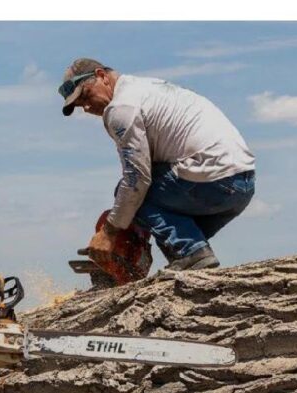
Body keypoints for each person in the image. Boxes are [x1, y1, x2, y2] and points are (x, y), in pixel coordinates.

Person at [59, 58, 256, 271]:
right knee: (153, 221)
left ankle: (192, 253)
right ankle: (187, 260)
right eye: (80, 106)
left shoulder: (121, 108)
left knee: (130, 195)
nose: (87, 107)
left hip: (213, 181)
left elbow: (137, 179)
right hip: (242, 183)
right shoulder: (147, 87)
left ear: (101, 76)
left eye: (86, 96)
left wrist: (108, 233)